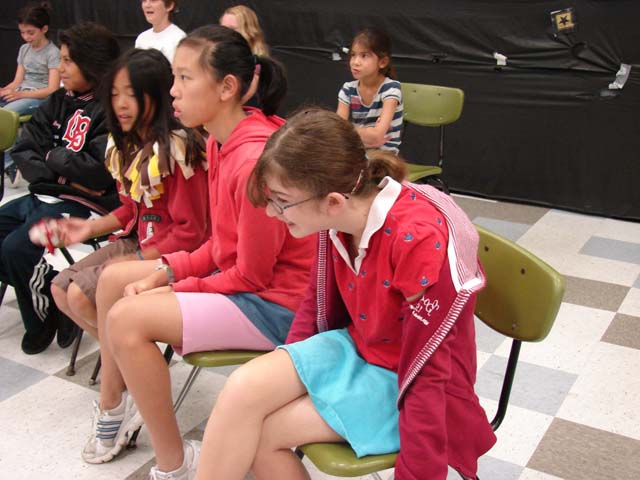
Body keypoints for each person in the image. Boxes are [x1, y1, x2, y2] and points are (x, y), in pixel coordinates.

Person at [193, 108, 496, 480]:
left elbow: (428, 372)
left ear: (333, 201)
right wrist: (294, 371)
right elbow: (314, 303)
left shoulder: (417, 240)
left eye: (281, 200)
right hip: (360, 346)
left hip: (406, 380)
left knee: (261, 437)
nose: (272, 213)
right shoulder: (337, 214)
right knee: (242, 389)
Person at [78, 25, 314, 480]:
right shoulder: (219, 140)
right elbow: (221, 246)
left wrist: (178, 284)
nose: (173, 91)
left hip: (280, 308)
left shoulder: (253, 160)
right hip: (252, 290)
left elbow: (252, 277)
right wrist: (167, 271)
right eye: (174, 78)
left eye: (185, 78)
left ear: (227, 88)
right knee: (114, 279)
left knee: (128, 318)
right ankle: (113, 405)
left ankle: (173, 465)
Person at [45, 48, 208, 341]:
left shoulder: (178, 150)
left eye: (131, 94)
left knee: (80, 295)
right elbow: (130, 209)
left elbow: (191, 233)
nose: (120, 103)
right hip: (139, 240)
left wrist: (137, 258)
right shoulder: (127, 144)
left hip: (172, 254)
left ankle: (126, 354)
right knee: (59, 289)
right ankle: (124, 356)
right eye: (115, 94)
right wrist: (89, 228)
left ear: (158, 96)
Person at [0, 22, 120, 355]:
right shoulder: (57, 100)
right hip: (43, 194)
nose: (60, 68)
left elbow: (97, 173)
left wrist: (52, 156)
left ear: (91, 64)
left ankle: (41, 322)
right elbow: (24, 150)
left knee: (17, 248)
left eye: (68, 61)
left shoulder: (111, 108)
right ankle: (55, 303)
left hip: (84, 205)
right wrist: (63, 170)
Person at [1, 2, 60, 186]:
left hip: (39, 98)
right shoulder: (24, 49)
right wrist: (6, 90)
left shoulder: (53, 53)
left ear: (44, 29)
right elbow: (17, 81)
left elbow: (52, 89)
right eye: (22, 33)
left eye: (30, 33)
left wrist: (19, 95)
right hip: (22, 93)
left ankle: (10, 162)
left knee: (6, 115)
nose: (26, 37)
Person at [336, 27, 403, 152]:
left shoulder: (391, 89)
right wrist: (368, 133)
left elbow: (376, 137)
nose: (355, 62)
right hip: (357, 152)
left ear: (382, 62)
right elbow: (337, 130)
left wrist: (348, 129)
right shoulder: (348, 89)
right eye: (353, 55)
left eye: (364, 56)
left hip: (384, 156)